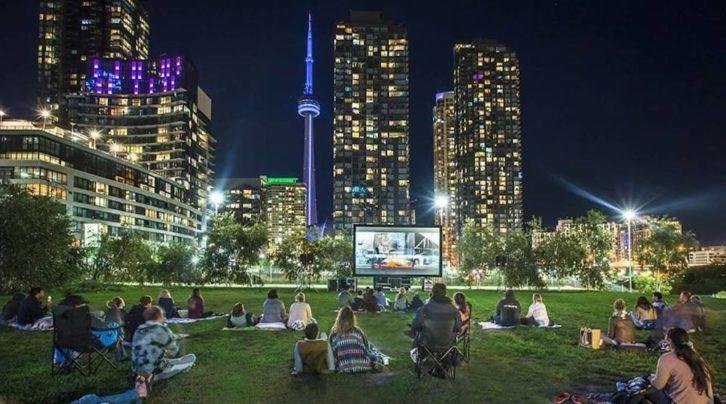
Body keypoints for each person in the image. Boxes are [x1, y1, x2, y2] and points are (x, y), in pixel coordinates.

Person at [132, 306, 196, 398]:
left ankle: (142, 377)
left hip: (137, 368)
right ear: (159, 316)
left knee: (166, 359)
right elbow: (173, 351)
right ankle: (153, 377)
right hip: (158, 369)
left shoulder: (139, 329)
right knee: (191, 358)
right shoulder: (163, 330)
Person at [648, 327, 714, 404]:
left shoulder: (667, 358)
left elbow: (658, 385)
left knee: (648, 391)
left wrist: (651, 379)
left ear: (669, 341)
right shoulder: (697, 358)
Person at [329, 306, 376, 373]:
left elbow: (332, 353)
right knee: (373, 351)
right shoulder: (357, 331)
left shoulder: (334, 333)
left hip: (344, 367)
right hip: (363, 366)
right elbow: (366, 348)